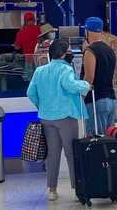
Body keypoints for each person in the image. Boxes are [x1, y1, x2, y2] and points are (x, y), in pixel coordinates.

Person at [27, 39, 90, 201]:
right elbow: (69, 85)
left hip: (46, 118)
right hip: (65, 116)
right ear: (63, 54)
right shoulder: (65, 69)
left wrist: (41, 106)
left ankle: (52, 190)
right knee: (71, 153)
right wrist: (85, 85)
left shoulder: (40, 71)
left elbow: (30, 92)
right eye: (68, 50)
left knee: (53, 153)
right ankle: (78, 187)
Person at [81, 17, 117, 134]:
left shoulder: (90, 51)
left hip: (96, 100)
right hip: (111, 99)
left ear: (87, 31)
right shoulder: (109, 50)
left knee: (95, 139)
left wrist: (81, 97)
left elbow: (89, 78)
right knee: (107, 140)